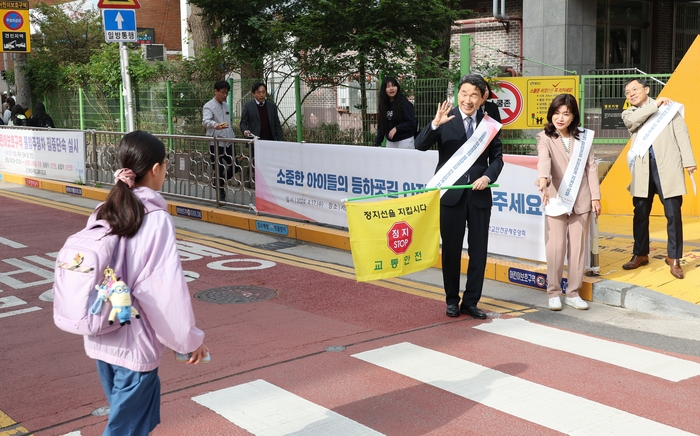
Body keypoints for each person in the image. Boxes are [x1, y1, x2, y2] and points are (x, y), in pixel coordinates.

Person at [86, 130, 208, 435]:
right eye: (165, 164)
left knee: (126, 421)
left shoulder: (103, 210)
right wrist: (186, 341)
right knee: (126, 430)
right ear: (156, 169)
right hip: (134, 345)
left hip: (101, 335)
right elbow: (163, 290)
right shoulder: (155, 219)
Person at [415, 74, 504, 319]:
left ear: (482, 97)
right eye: (464, 93)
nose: (468, 99)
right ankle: (452, 300)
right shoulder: (446, 118)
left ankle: (471, 301)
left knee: (479, 251)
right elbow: (419, 145)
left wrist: (487, 177)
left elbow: (497, 159)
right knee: (452, 251)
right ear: (458, 94)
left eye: (474, 94)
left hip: (479, 196)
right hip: (450, 196)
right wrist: (435, 124)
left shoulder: (489, 123)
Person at [621, 78, 696, 279]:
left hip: (668, 168)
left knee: (673, 214)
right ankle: (640, 253)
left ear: (646, 89)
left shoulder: (668, 110)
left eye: (635, 89)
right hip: (642, 170)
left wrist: (689, 160)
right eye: (628, 92)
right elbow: (632, 123)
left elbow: (682, 134)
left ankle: (674, 258)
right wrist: (655, 104)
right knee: (641, 213)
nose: (631, 94)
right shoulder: (629, 113)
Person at [536, 94, 601, 311]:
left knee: (578, 249)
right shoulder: (545, 137)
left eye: (566, 113)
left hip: (581, 199)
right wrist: (543, 181)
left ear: (573, 116)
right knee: (556, 247)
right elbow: (543, 161)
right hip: (555, 197)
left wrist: (595, 196)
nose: (560, 118)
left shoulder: (584, 138)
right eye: (556, 112)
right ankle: (554, 292)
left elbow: (591, 167)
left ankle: (573, 292)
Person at [203, 80, 236, 201]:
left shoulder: (226, 105)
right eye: (222, 92)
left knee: (235, 165)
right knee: (219, 167)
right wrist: (214, 124)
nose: (224, 95)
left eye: (226, 93)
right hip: (215, 142)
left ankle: (217, 182)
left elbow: (229, 123)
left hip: (228, 141)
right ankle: (221, 194)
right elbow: (205, 121)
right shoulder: (208, 106)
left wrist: (233, 138)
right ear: (215, 91)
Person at [375, 76, 417, 148]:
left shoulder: (405, 104)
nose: (391, 88)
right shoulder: (383, 105)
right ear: (384, 90)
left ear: (397, 87)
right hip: (390, 142)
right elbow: (381, 125)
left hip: (405, 140)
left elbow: (412, 123)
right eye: (388, 87)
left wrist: (396, 129)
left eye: (393, 86)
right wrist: (378, 143)